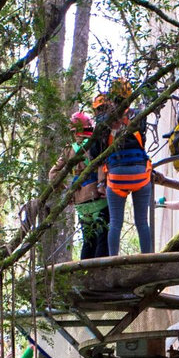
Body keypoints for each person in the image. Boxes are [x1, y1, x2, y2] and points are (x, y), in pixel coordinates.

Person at [91, 80, 179, 255]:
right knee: (142, 222)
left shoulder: (105, 121)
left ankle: (114, 261)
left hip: (116, 176)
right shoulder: (139, 114)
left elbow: (95, 153)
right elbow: (142, 138)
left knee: (115, 223)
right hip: (140, 174)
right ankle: (147, 258)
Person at [68, 109, 112, 259]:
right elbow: (100, 164)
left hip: (80, 202)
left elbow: (53, 173)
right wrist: (101, 185)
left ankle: (84, 270)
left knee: (88, 240)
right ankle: (101, 270)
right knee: (102, 238)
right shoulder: (94, 145)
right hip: (97, 198)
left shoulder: (69, 150)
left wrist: (67, 192)